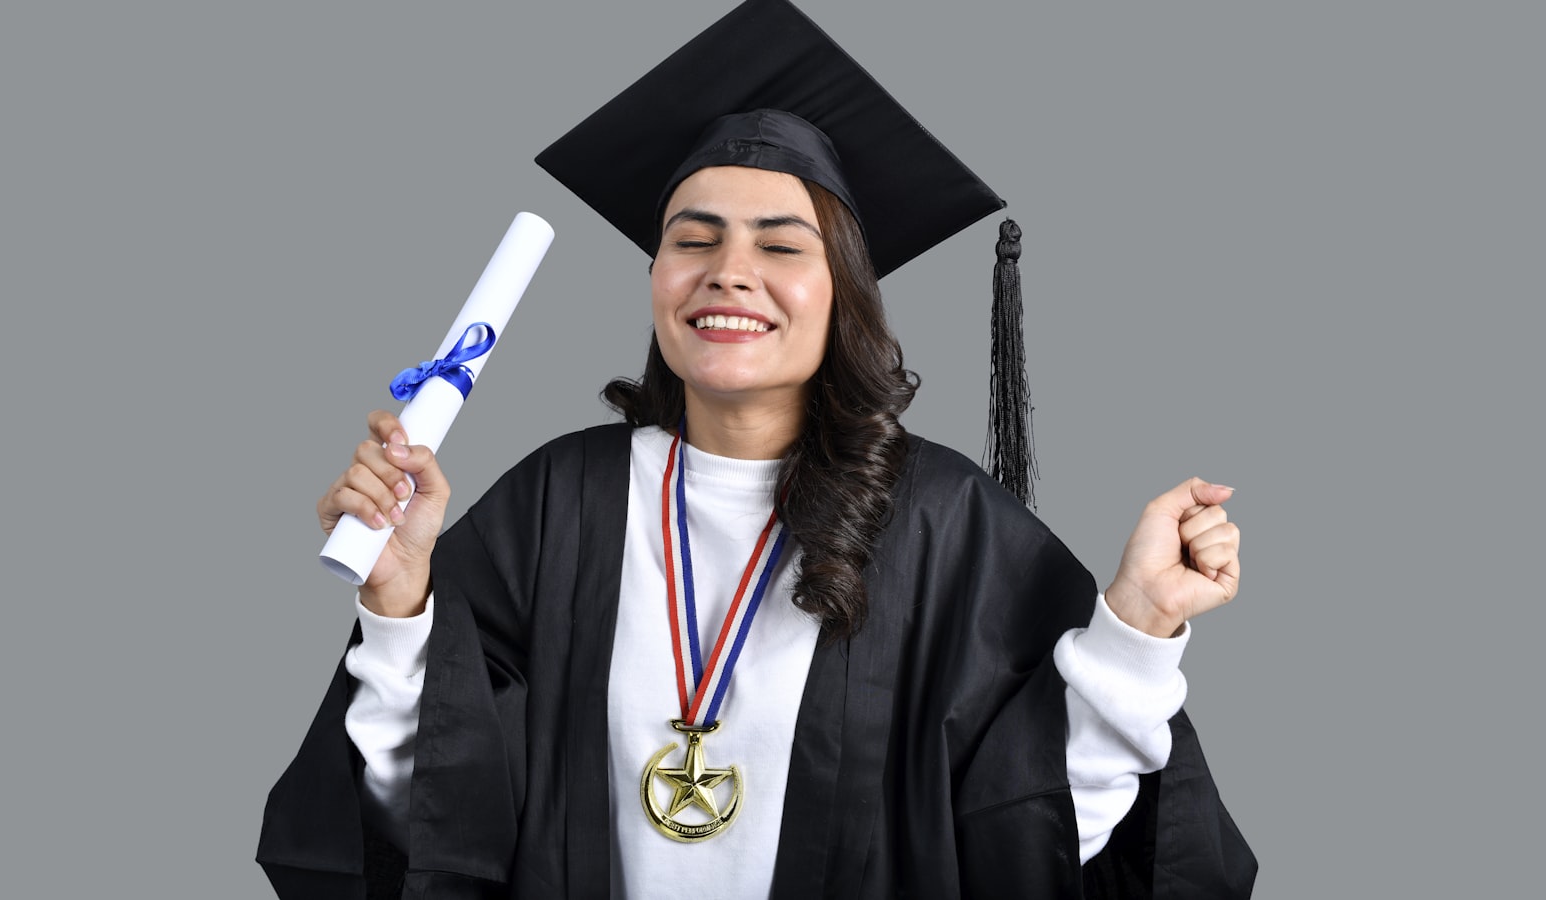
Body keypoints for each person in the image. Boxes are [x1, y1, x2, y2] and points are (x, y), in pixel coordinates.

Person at [258, 1, 1256, 897]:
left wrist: (1135, 628)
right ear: (656, 278)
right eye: (693, 239)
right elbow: (429, 829)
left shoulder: (946, 522)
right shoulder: (552, 505)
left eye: (781, 246)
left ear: (842, 295)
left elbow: (1032, 844)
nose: (729, 273)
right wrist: (397, 606)